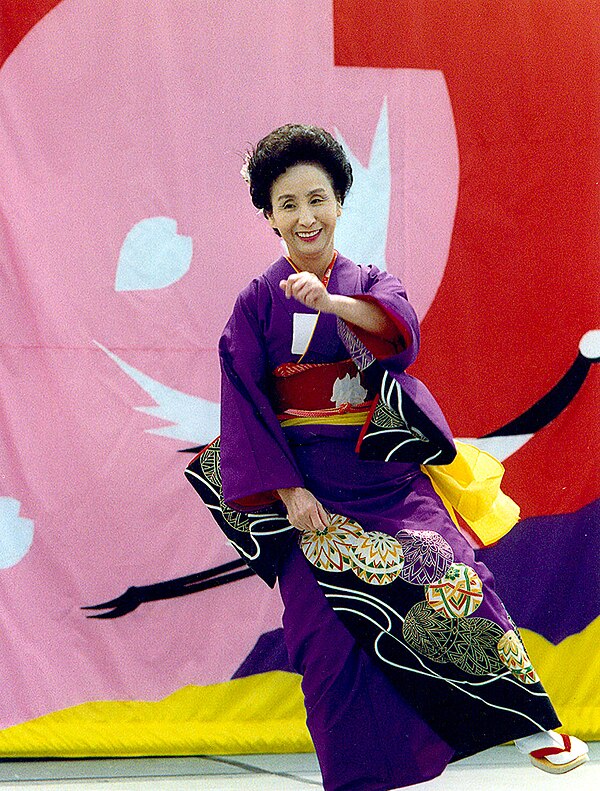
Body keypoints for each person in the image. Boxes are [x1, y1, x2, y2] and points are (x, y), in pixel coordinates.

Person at [187, 125, 588, 790]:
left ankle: (529, 722)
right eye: (287, 204)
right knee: (328, 650)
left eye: (317, 198)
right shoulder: (254, 304)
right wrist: (288, 493)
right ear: (268, 216)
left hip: (384, 478)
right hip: (308, 489)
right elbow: (245, 404)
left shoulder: (373, 282)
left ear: (340, 203)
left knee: (457, 586)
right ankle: (357, 778)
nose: (305, 215)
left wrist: (333, 302)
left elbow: (399, 334)